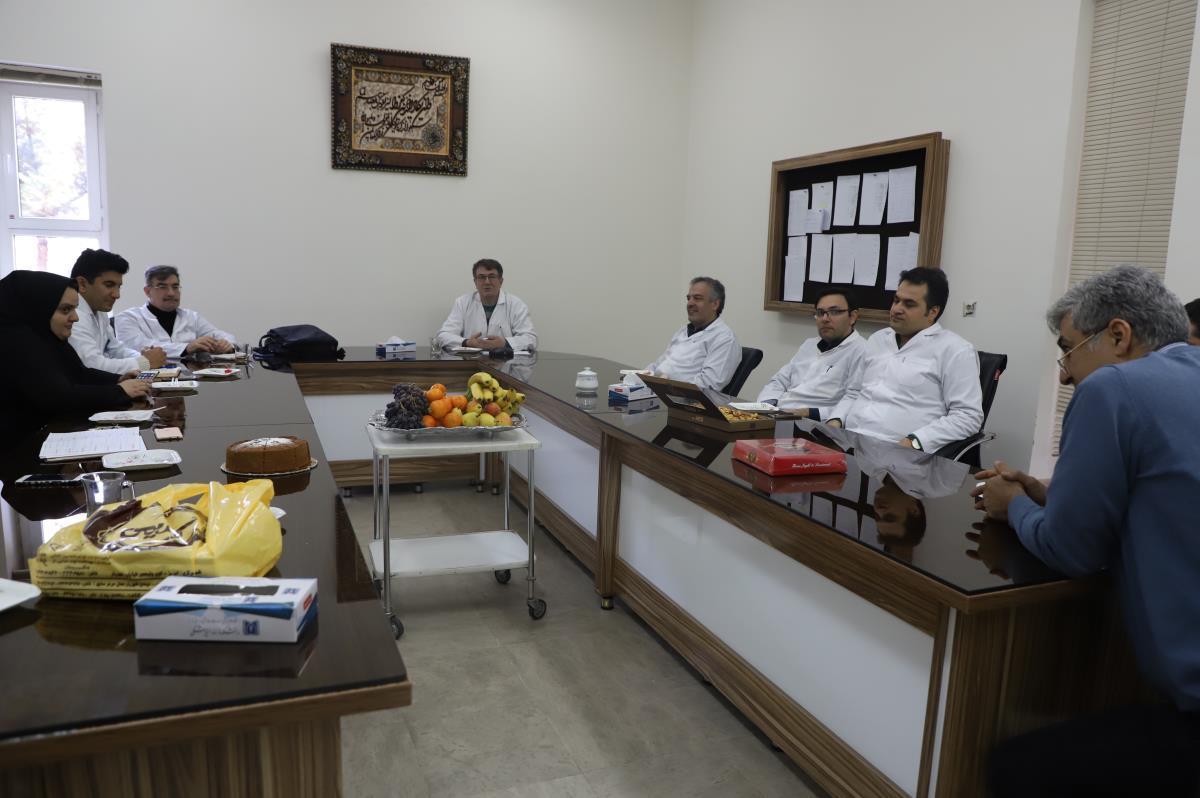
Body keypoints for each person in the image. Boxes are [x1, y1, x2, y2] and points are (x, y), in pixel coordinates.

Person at [975, 265, 1200, 797]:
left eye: (1068, 350)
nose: (1064, 375)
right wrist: (1051, 494)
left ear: (1118, 336)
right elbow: (1165, 493)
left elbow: (1071, 550)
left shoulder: (1114, 388)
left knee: (1015, 768)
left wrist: (1012, 505)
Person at [826, 267, 982, 453]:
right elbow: (854, 392)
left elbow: (967, 416)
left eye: (909, 304)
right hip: (849, 444)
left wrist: (913, 442)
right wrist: (835, 422)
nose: (896, 309)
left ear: (932, 312)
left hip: (900, 454)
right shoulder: (878, 339)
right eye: (896, 300)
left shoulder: (955, 350)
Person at [0, 270, 150, 442]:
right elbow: (59, 397)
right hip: (15, 447)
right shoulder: (15, 343)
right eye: (66, 310)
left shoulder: (47, 338)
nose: (75, 318)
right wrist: (119, 391)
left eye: (74, 309)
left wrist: (117, 379)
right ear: (39, 308)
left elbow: (79, 372)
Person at [756, 286, 866, 419]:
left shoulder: (862, 351)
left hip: (813, 422)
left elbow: (854, 402)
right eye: (820, 312)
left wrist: (809, 413)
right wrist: (767, 405)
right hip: (778, 414)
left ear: (852, 317)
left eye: (834, 312)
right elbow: (779, 380)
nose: (825, 319)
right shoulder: (809, 344)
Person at [68, 249, 166, 374]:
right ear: (82, 284)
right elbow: (92, 365)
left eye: (118, 286)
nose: (117, 295)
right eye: (109, 285)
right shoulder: (73, 316)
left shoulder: (99, 310)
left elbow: (115, 349)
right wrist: (145, 362)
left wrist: (144, 357)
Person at [115, 265, 237, 356]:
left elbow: (220, 335)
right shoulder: (128, 318)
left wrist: (226, 344)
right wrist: (187, 348)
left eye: (175, 287)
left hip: (189, 378)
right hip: (147, 380)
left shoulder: (191, 317)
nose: (171, 293)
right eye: (162, 287)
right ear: (147, 291)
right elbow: (136, 346)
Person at [645, 277, 740, 391]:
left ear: (715, 304)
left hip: (680, 398)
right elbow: (658, 365)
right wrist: (638, 378)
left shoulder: (724, 339)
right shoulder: (683, 331)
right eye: (688, 298)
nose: (690, 303)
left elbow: (708, 385)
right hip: (655, 390)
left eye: (697, 298)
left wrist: (665, 384)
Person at [433, 259, 537, 353]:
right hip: (470, 363)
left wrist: (505, 343)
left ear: (501, 281)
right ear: (475, 282)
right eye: (481, 277)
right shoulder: (462, 303)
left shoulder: (516, 305)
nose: (487, 282)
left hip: (505, 364)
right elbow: (443, 335)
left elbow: (531, 339)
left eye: (492, 276)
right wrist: (466, 342)